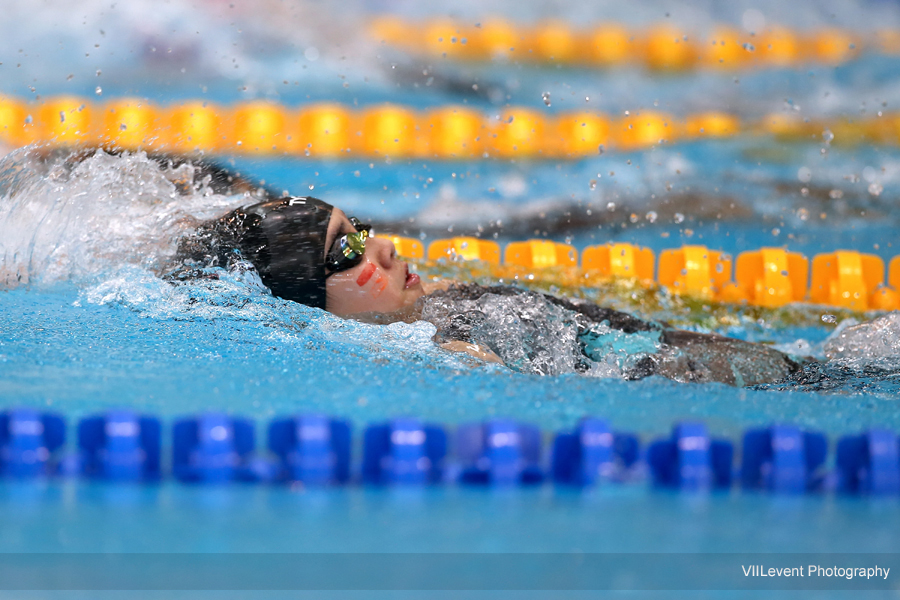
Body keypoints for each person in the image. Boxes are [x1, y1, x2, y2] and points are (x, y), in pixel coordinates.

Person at [171, 189, 807, 387]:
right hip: (687, 367)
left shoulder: (425, 309)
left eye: (362, 229)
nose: (385, 245)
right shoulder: (440, 353)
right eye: (350, 249)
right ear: (304, 301)